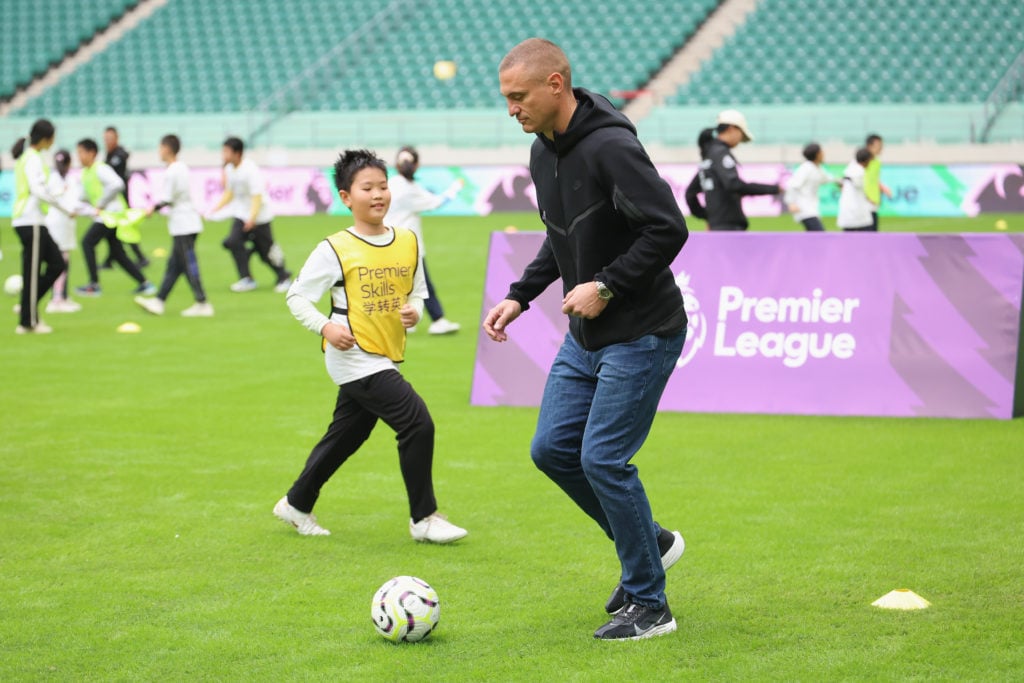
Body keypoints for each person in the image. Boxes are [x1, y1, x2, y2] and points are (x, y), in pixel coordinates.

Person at [487, 38, 686, 641]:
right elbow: (562, 235)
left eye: (518, 97)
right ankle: (650, 544)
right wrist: (521, 294)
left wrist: (606, 285)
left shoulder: (611, 147)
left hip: (643, 330)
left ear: (555, 85)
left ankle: (652, 607)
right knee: (552, 450)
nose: (512, 109)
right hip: (587, 336)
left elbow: (667, 228)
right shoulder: (541, 153)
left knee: (602, 458)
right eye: (505, 99)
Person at [273, 149, 467, 544]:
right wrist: (326, 327)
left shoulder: (407, 240)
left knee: (348, 434)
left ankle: (296, 502)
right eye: (367, 188)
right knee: (416, 421)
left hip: (385, 350)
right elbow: (296, 297)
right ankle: (424, 518)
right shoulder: (334, 247)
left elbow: (417, 293)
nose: (378, 195)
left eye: (383, 186)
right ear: (346, 197)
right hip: (352, 354)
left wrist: (413, 312)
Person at [384, 145, 463, 335]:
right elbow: (435, 203)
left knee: (397, 283)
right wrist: (454, 189)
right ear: (417, 165)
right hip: (409, 244)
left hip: (389, 241)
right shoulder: (410, 189)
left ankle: (403, 321)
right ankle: (438, 320)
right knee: (423, 284)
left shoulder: (391, 184)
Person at [134, 135, 213, 318]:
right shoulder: (182, 167)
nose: (159, 151)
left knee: (187, 264)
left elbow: (167, 199)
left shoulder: (172, 171)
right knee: (174, 266)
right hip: (187, 222)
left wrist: (152, 208)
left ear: (167, 149)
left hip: (183, 224)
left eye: (160, 147)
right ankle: (159, 301)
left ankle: (202, 303)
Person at [207, 137, 292, 293]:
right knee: (232, 242)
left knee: (266, 251)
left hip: (259, 217)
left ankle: (283, 276)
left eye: (226, 151)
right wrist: (216, 208)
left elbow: (257, 196)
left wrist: (252, 218)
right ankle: (246, 278)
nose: (223, 154)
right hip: (241, 214)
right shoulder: (229, 169)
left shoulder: (250, 170)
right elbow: (229, 192)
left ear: (237, 153)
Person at [10, 119, 71, 334]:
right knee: (33, 272)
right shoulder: (32, 159)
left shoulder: (30, 158)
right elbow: (37, 190)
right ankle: (28, 322)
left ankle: (27, 305)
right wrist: (62, 206)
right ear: (46, 138)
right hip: (30, 221)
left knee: (56, 264)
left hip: (35, 221)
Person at [74, 138, 156, 297]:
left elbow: (118, 184)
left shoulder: (101, 169)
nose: (79, 157)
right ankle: (145, 284)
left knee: (87, 242)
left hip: (111, 215)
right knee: (118, 254)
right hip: (106, 216)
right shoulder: (85, 173)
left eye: (81, 153)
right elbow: (83, 197)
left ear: (92, 153)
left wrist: (101, 204)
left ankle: (94, 284)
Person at [684, 110, 783, 231]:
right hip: (730, 227)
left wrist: (710, 217)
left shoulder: (709, 155)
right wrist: (774, 189)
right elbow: (733, 184)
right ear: (732, 129)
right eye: (741, 133)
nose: (741, 138)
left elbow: (690, 194)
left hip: (717, 226)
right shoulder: (721, 153)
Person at [101, 126, 148, 269]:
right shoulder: (109, 155)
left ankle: (140, 257)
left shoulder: (119, 154)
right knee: (116, 231)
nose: (108, 141)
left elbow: (116, 167)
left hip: (120, 200)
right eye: (106, 138)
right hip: (114, 201)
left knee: (123, 229)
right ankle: (110, 260)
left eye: (110, 138)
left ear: (117, 138)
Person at [43, 149, 83, 313]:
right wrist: (70, 210)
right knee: (60, 262)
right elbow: (60, 202)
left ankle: (62, 296)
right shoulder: (56, 180)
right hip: (59, 224)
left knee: (63, 261)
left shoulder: (67, 179)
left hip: (62, 224)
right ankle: (57, 298)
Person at [784, 143, 841, 232]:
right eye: (821, 152)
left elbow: (828, 178)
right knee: (820, 235)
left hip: (812, 208)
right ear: (817, 154)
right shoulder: (806, 168)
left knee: (812, 238)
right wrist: (791, 202)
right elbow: (792, 185)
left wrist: (840, 182)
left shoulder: (818, 168)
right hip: (804, 208)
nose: (824, 154)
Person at [837, 147, 875, 232]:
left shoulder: (850, 168)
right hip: (856, 212)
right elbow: (856, 182)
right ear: (866, 160)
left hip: (848, 211)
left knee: (848, 238)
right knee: (867, 237)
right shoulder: (859, 170)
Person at [863, 133, 892, 230]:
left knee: (873, 238)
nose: (881, 148)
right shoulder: (862, 162)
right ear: (869, 146)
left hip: (874, 204)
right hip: (865, 205)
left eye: (881, 146)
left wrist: (883, 188)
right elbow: (859, 181)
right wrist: (866, 197)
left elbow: (874, 180)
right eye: (878, 146)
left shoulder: (877, 162)